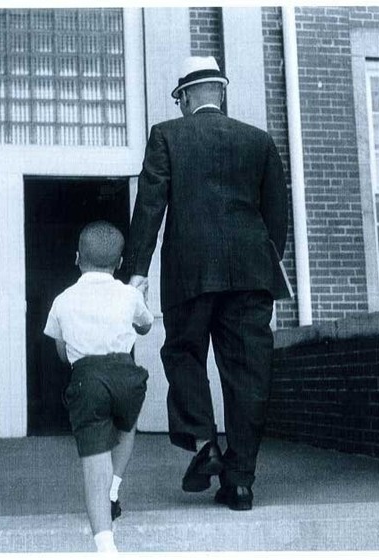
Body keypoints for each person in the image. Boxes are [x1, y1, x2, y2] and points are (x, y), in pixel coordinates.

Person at [123, 56, 289, 511]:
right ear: (220, 92)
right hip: (252, 275)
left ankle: (203, 443)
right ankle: (240, 484)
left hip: (191, 271)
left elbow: (150, 207)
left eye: (179, 99)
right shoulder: (259, 141)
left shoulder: (167, 135)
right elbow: (278, 215)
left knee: (182, 352)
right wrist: (261, 260)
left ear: (187, 96)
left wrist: (136, 274)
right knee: (248, 373)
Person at [44, 221, 153, 553]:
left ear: (77, 258)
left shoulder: (63, 299)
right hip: (126, 374)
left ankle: (106, 546)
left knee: (94, 465)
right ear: (119, 263)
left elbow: (62, 352)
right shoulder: (129, 294)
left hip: (87, 376)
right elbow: (145, 327)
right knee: (127, 423)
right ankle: (115, 487)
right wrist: (140, 297)